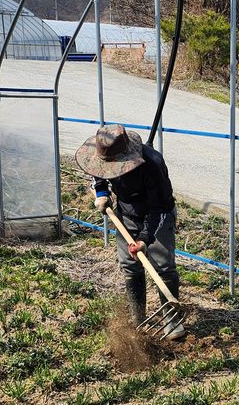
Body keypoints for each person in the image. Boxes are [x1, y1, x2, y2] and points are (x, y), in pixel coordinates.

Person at [75, 124, 185, 341]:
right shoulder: (103, 155)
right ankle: (138, 318)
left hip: (158, 214)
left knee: (163, 266)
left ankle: (172, 321)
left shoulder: (152, 165)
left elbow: (158, 208)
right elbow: (98, 172)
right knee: (130, 265)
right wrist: (101, 193)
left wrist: (144, 239)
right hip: (126, 213)